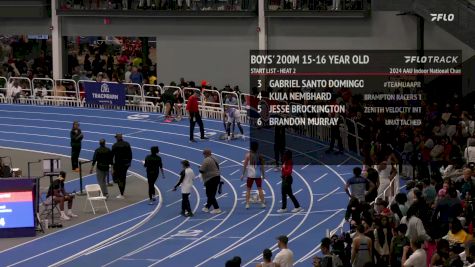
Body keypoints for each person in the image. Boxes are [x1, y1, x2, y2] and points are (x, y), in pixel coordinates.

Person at [241, 141, 266, 209]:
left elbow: (245, 165)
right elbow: (262, 166)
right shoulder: (260, 155)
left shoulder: (248, 155)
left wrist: (243, 174)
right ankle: (262, 203)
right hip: (258, 175)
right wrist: (263, 175)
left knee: (248, 189)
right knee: (260, 189)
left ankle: (247, 204)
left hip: (250, 175)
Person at [199, 149, 221, 214]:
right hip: (217, 177)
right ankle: (207, 207)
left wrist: (200, 168)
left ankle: (217, 208)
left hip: (210, 178)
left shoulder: (206, 160)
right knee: (212, 193)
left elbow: (201, 170)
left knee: (209, 194)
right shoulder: (215, 158)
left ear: (205, 154)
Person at [112, 133, 132, 199]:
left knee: (119, 179)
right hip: (126, 164)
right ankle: (122, 192)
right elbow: (130, 154)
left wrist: (112, 165)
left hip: (118, 164)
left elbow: (112, 156)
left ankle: (121, 193)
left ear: (117, 138)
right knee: (123, 177)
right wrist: (129, 162)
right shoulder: (127, 144)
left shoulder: (115, 145)